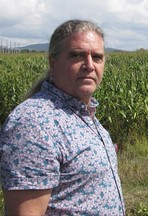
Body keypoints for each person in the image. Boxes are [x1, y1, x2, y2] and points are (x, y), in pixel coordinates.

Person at [0, 19, 125, 215]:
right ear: (53, 62)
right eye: (77, 55)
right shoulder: (34, 123)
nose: (89, 65)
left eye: (97, 57)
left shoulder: (84, 113)